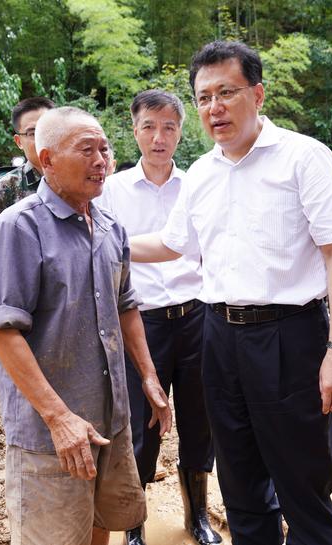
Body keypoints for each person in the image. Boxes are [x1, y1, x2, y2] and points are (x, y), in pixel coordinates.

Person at [127, 40, 332, 545]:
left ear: (257, 94)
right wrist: (106, 244)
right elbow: (172, 243)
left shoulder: (303, 158)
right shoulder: (203, 174)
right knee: (239, 482)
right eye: (204, 96)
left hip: (290, 336)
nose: (215, 107)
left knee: (303, 480)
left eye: (226, 92)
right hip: (219, 338)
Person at [0, 106, 173, 545]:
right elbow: (4, 332)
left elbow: (126, 304)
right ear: (45, 160)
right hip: (49, 432)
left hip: (108, 416)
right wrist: (58, 418)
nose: (101, 160)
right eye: (86, 150)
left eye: (105, 149)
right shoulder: (18, 228)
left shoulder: (109, 226)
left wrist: (148, 376)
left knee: (100, 522)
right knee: (52, 536)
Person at [96, 89, 220, 545]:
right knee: (141, 425)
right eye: (149, 126)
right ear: (134, 131)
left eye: (169, 127)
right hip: (140, 322)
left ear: (181, 133)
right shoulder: (111, 190)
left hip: (197, 317)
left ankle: (198, 516)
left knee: (199, 417)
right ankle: (134, 523)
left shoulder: (200, 183)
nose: (158, 137)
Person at [0, 96, 55, 244]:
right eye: (32, 133)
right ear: (19, 142)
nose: (42, 138)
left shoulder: (76, 178)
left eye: (48, 130)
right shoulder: (6, 186)